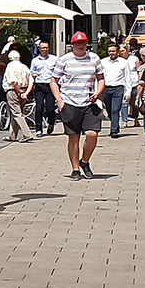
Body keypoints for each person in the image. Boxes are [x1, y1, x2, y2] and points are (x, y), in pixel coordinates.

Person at [50, 32, 105, 180]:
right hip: (70, 102)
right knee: (73, 137)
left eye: (83, 43)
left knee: (92, 134)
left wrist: (98, 92)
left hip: (89, 102)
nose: (81, 45)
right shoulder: (64, 60)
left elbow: (101, 78)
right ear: (72, 45)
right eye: (77, 43)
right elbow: (53, 81)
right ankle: (75, 169)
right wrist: (59, 101)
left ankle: (84, 161)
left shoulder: (94, 59)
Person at [100, 44, 133, 139]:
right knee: (109, 110)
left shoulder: (124, 62)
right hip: (106, 88)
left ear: (118, 52)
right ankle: (115, 124)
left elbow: (127, 78)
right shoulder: (103, 62)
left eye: (113, 51)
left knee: (115, 110)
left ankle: (114, 130)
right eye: (110, 51)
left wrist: (128, 92)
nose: (111, 53)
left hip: (118, 88)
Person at [2, 50, 35, 142]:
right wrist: (25, 93)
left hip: (13, 91)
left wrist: (19, 93)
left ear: (9, 58)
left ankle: (27, 134)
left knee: (17, 114)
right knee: (15, 113)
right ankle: (12, 135)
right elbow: (31, 81)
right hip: (24, 89)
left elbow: (14, 82)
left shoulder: (10, 67)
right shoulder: (24, 67)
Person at [28, 42, 59, 136]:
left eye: (46, 48)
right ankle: (38, 129)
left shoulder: (54, 59)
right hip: (39, 85)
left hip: (50, 85)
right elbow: (31, 72)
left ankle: (51, 123)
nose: (44, 50)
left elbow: (58, 72)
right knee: (39, 108)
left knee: (50, 108)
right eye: (42, 48)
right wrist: (33, 74)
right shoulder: (35, 60)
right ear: (39, 49)